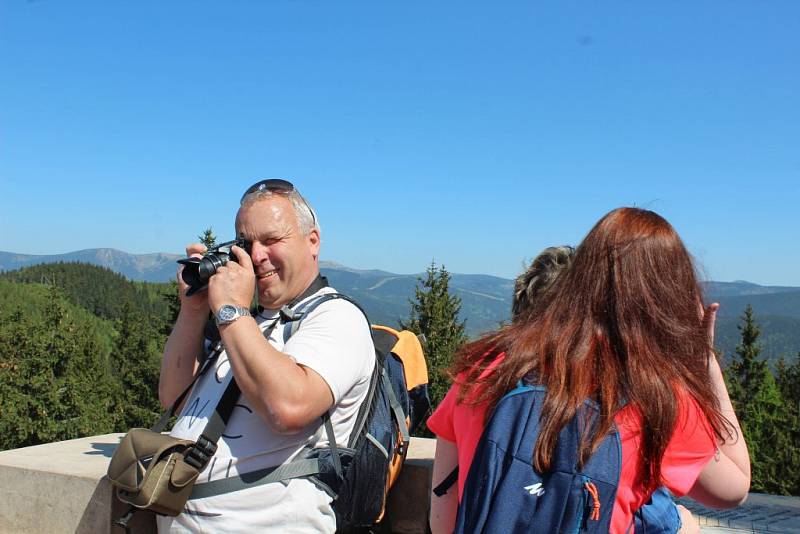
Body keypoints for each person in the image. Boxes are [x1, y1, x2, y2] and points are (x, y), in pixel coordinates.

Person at [428, 208, 750, 534]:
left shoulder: (485, 364)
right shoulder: (657, 394)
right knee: (685, 524)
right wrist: (703, 361)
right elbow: (735, 488)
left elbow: (442, 522)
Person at [157, 179, 376, 533]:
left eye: (272, 240)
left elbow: (287, 407)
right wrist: (193, 312)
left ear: (312, 241)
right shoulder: (248, 324)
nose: (257, 256)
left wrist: (229, 310)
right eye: (246, 243)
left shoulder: (337, 318)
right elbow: (174, 398)